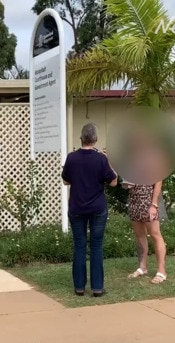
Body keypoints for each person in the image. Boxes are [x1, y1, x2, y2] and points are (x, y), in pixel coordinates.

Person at [61, 123, 118, 297]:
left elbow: (65, 181)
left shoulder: (72, 158)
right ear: (95, 139)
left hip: (77, 207)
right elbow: (114, 181)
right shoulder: (100, 159)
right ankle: (97, 287)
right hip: (97, 208)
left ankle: (79, 287)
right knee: (96, 246)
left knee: (79, 245)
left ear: (81, 138)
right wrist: (109, 160)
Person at [123, 180, 168, 284]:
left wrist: (154, 204)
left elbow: (158, 182)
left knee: (155, 234)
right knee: (140, 235)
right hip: (134, 202)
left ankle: (162, 271)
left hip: (148, 201)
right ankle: (142, 268)